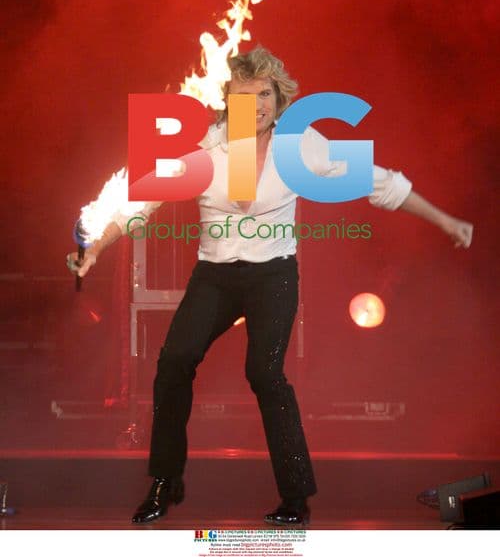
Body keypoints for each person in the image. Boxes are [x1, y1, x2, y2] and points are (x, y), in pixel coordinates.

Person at [67, 47, 473, 525]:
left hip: (273, 275)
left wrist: (445, 221)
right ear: (228, 100)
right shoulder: (204, 146)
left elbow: (379, 182)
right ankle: (166, 480)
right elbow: (142, 201)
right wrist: (95, 249)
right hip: (215, 276)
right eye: (246, 95)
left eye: (266, 94)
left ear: (279, 100)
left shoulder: (300, 146)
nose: (257, 104)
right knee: (174, 361)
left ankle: (295, 497)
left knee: (264, 373)